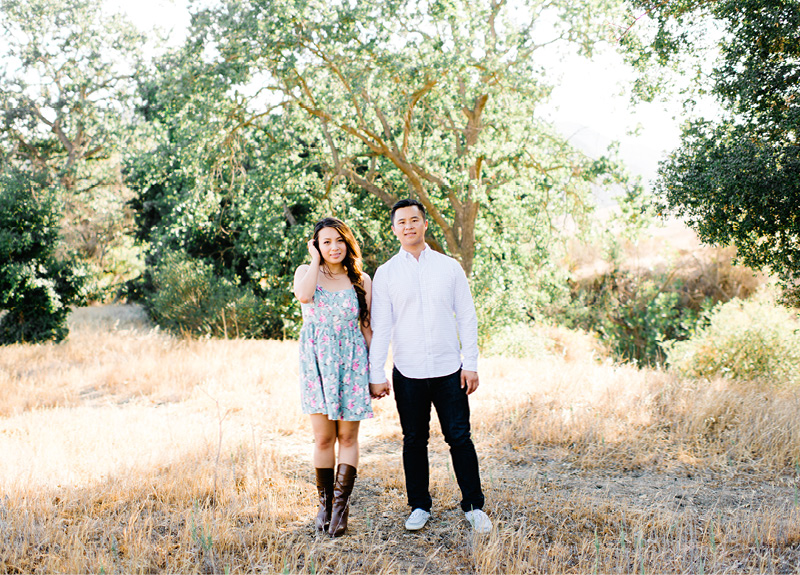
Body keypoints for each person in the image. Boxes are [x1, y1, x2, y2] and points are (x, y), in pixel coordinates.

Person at [368, 199, 492, 534]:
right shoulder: (386, 274)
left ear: (425, 224)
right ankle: (420, 505)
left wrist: (471, 364)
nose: (408, 226)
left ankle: (474, 506)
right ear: (394, 228)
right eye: (401, 222)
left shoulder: (449, 268)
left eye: (414, 220)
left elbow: (466, 317)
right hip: (407, 371)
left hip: (449, 369)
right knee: (413, 439)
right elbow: (381, 326)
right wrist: (375, 373)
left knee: (460, 438)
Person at [293, 217, 388, 538]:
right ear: (316, 246)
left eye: (339, 241)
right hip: (317, 364)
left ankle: (341, 506)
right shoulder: (306, 274)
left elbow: (367, 328)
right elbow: (304, 298)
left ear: (348, 243)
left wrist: (377, 374)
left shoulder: (361, 279)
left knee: (347, 438)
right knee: (323, 438)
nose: (334, 247)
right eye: (326, 242)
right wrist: (314, 260)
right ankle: (323, 504)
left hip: (351, 363)